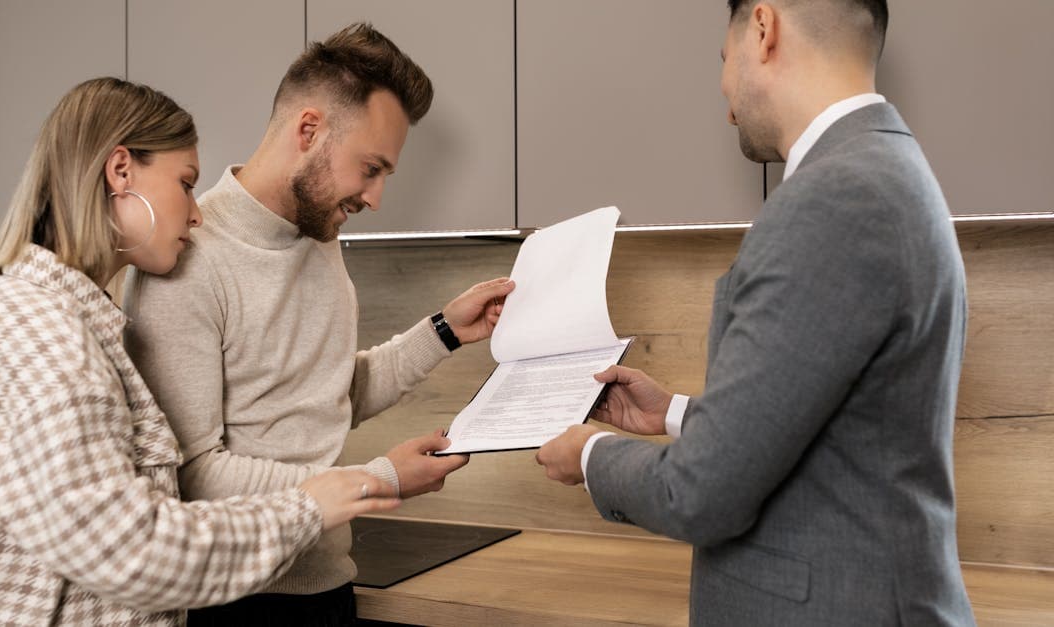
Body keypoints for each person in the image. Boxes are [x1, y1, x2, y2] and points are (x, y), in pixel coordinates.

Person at [0, 77, 401, 626]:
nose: (196, 214)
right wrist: (313, 504)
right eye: (186, 184)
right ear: (120, 172)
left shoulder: (45, 319)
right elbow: (130, 550)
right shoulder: (39, 335)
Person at [536, 1, 975, 624]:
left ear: (763, 29)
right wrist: (677, 414)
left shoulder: (833, 196)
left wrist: (588, 455)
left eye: (722, 58)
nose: (723, 94)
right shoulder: (883, 168)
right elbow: (837, 431)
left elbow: (702, 493)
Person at [122, 23, 514, 625]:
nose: (376, 197)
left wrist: (444, 331)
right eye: (371, 168)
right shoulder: (187, 255)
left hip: (327, 584)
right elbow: (192, 473)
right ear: (310, 131)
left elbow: (330, 393)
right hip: (234, 601)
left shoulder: (318, 231)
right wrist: (378, 479)